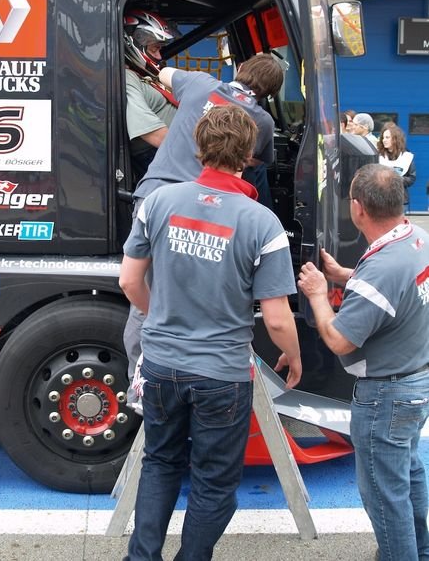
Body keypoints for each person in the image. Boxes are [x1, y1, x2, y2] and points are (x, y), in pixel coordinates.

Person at [120, 104, 301, 561]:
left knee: (160, 462)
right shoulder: (263, 223)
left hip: (160, 364)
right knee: (214, 481)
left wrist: (157, 314)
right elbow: (277, 318)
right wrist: (294, 357)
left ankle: (141, 556)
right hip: (221, 373)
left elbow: (128, 281)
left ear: (200, 148)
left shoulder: (158, 202)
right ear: (248, 156)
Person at [124, 53, 284, 404]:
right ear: (270, 92)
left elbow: (163, 72)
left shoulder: (198, 82)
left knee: (146, 297)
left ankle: (141, 383)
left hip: (153, 199)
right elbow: (253, 162)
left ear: (240, 70)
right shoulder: (260, 120)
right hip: (206, 208)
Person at [297, 163, 429, 561]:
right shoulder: (415, 237)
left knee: (384, 499)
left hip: (386, 394)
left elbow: (339, 340)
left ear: (358, 209)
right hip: (415, 382)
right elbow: (393, 285)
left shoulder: (381, 269)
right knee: (408, 475)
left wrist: (320, 294)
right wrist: (345, 275)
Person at [124, 10, 179, 182]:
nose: (159, 56)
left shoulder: (142, 75)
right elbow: (150, 131)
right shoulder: (127, 78)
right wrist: (201, 154)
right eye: (155, 49)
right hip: (160, 156)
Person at [377, 121, 416, 206]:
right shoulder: (378, 156)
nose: (384, 140)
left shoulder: (407, 157)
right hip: (381, 199)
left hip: (400, 200)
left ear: (395, 139)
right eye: (383, 138)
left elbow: (411, 178)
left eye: (387, 137)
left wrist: (395, 179)